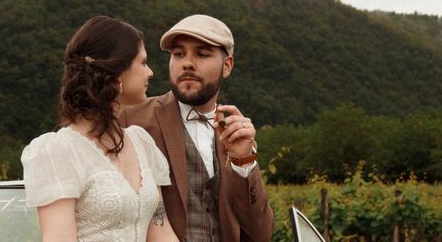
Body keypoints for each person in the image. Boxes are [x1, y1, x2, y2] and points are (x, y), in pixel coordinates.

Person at [21, 16, 179, 242]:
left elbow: (161, 232)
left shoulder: (142, 142)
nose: (150, 72)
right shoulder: (58, 151)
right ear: (116, 71)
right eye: (143, 63)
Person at [120, 14, 274, 241]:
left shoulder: (235, 132)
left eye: (202, 54)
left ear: (227, 65)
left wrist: (244, 162)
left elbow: (260, 234)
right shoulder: (132, 120)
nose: (187, 63)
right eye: (178, 54)